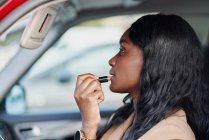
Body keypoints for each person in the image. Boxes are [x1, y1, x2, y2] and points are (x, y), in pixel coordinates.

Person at [74, 14, 209, 140]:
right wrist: (89, 124)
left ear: (155, 60)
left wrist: (89, 125)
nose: (112, 60)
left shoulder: (172, 135)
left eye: (122, 50)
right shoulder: (128, 115)